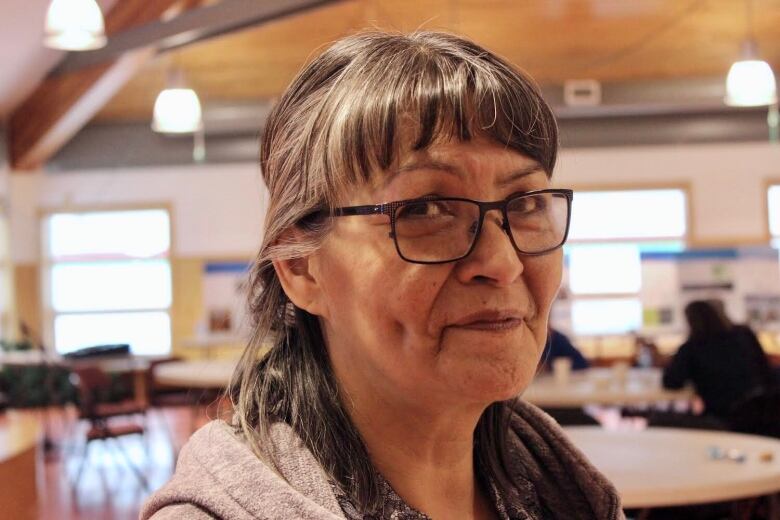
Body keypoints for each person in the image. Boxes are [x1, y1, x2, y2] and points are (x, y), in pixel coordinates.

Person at [142, 31, 622, 520]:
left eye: (528, 203)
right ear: (300, 267)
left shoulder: (566, 492)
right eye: (425, 209)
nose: (502, 262)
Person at [663, 300, 775, 420]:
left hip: (721, 415)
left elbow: (671, 382)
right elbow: (765, 368)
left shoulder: (692, 347)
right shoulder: (744, 334)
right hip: (761, 409)